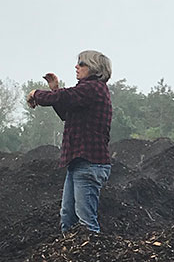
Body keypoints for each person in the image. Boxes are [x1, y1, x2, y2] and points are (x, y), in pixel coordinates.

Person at [27, 50, 112, 235]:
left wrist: (36, 94)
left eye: (81, 63)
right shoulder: (87, 92)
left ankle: (94, 260)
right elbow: (66, 113)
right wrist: (54, 90)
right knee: (68, 218)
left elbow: (64, 98)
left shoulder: (93, 88)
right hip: (79, 163)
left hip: (89, 164)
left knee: (86, 224)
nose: (77, 66)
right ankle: (69, 259)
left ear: (94, 68)